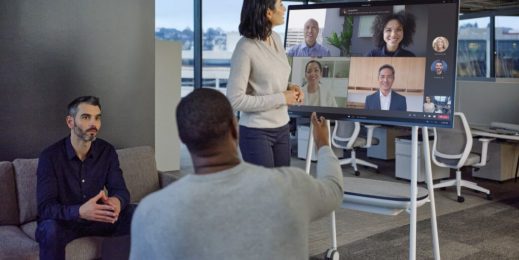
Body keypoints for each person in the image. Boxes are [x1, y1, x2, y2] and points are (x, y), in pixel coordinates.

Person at [130, 88, 343, 260]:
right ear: (235, 127)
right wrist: (323, 143)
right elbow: (334, 188)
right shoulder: (291, 187)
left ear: (183, 138)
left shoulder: (151, 212)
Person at [36, 96, 134, 260]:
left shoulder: (107, 151)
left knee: (135, 212)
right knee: (50, 229)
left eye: (97, 118)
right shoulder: (50, 156)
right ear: (70, 122)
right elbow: (46, 208)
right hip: (65, 223)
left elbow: (120, 190)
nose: (93, 124)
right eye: (86, 117)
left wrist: (116, 202)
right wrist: (80, 212)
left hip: (97, 220)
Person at [227, 0, 303, 168]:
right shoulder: (245, 48)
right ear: (268, 12)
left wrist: (289, 87)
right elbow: (235, 100)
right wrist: (282, 98)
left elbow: (269, 77)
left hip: (283, 127)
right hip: (256, 132)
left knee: (282, 187)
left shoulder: (275, 38)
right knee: (265, 191)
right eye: (280, 4)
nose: (284, 9)